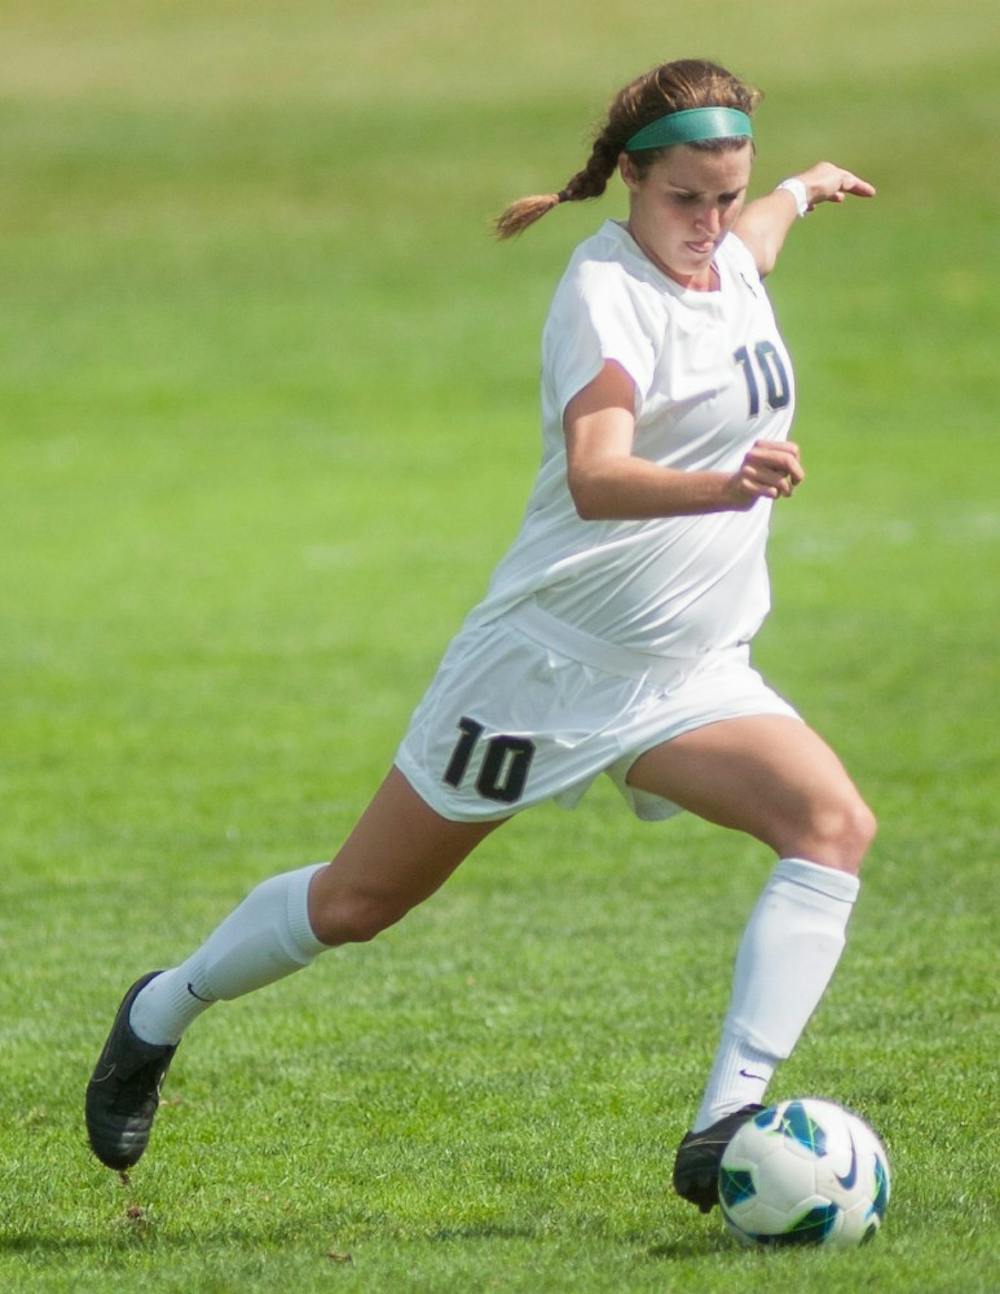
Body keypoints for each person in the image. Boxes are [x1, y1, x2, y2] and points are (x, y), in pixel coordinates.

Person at [86, 57, 877, 1214]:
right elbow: (598, 474)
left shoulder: (729, 257)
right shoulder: (605, 293)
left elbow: (754, 244)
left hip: (689, 673)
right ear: (630, 183)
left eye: (725, 194)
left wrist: (799, 191)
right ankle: (161, 1009)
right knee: (357, 905)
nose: (708, 224)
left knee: (831, 825)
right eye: (684, 201)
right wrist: (724, 484)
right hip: (546, 668)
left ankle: (721, 1124)